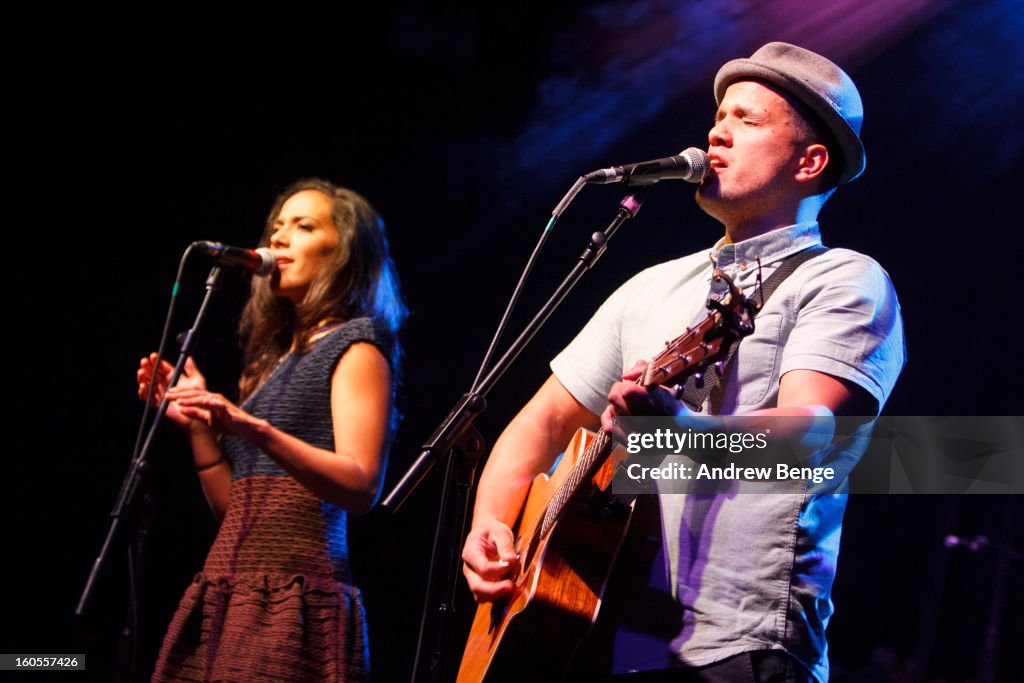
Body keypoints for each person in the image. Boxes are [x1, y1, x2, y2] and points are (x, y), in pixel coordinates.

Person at [461, 43, 905, 682]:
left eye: (747, 120)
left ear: (810, 161)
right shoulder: (652, 285)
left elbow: (815, 432)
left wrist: (677, 433)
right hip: (606, 636)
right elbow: (541, 423)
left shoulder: (843, 280)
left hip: (739, 643)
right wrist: (492, 526)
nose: (717, 132)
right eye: (718, 116)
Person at [137, 178, 407, 682]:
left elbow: (360, 485)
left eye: (303, 226)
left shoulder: (356, 348)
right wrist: (200, 429)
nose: (279, 238)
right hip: (228, 589)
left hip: (295, 595)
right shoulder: (266, 364)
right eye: (277, 226)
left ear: (345, 251)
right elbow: (231, 510)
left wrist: (252, 428)